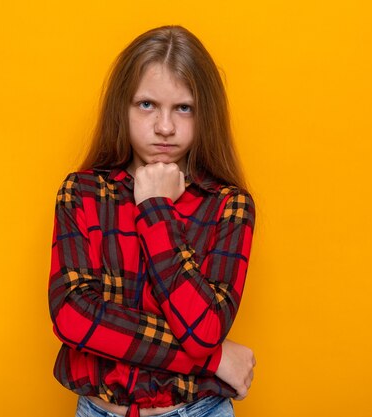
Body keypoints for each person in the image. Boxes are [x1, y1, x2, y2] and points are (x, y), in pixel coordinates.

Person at [48, 25, 256, 417]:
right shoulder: (83, 193)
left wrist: (155, 207)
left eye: (184, 107)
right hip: (98, 410)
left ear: (205, 114)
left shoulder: (228, 204)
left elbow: (205, 329)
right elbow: (73, 316)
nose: (165, 127)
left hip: (198, 410)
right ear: (121, 109)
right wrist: (213, 361)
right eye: (146, 105)